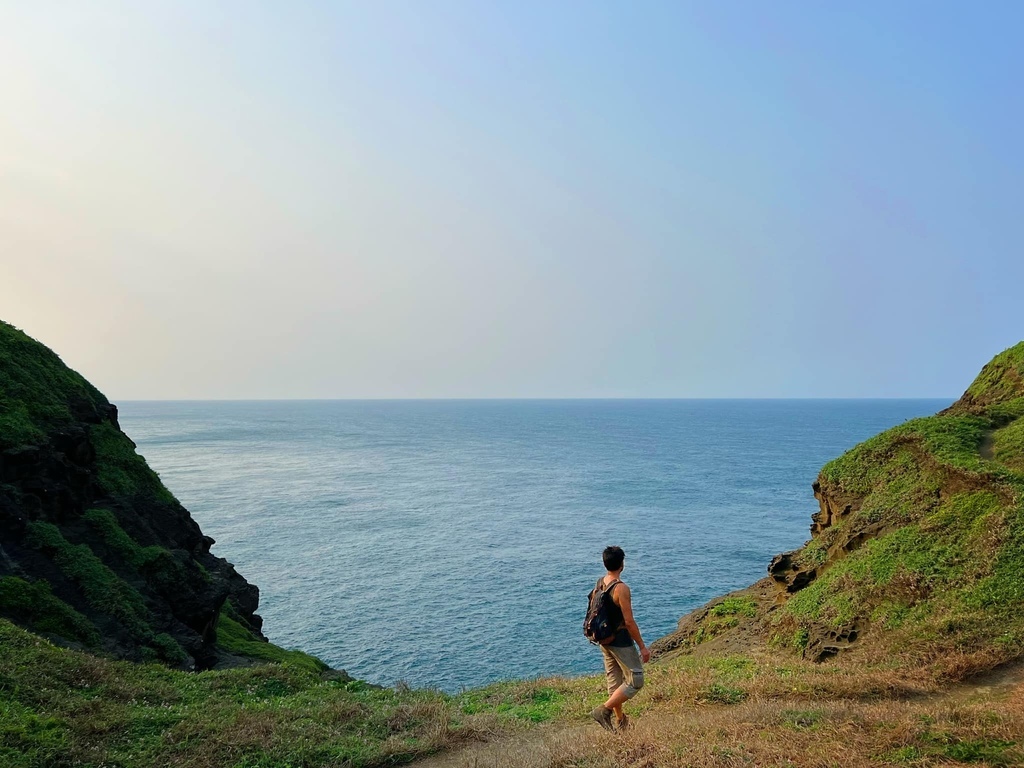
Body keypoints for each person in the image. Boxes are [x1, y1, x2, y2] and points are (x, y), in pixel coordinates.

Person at [590, 545, 650, 732]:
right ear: (622, 564)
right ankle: (603, 710)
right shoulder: (621, 588)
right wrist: (642, 647)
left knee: (614, 681)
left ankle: (621, 721)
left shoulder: (600, 583)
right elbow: (629, 622)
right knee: (636, 680)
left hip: (604, 640)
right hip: (620, 641)